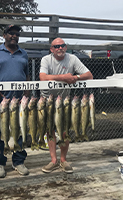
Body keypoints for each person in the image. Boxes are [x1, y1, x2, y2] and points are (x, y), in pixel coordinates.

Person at [39, 37, 93, 174]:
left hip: (65, 101)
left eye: (62, 45)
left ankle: (63, 160)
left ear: (66, 47)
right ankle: (53, 161)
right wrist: (63, 78)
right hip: (48, 99)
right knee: (50, 130)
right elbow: (42, 77)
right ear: (51, 49)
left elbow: (89, 75)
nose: (60, 48)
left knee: (64, 131)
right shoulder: (46, 59)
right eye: (56, 46)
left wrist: (76, 78)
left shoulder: (72, 58)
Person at [0, 24, 30, 178]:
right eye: (11, 33)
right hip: (1, 100)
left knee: (18, 130)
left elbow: (26, 74)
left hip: (19, 100)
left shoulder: (23, 53)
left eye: (17, 34)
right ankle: (0, 162)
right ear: (4, 35)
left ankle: (18, 161)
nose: (14, 36)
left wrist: (27, 92)